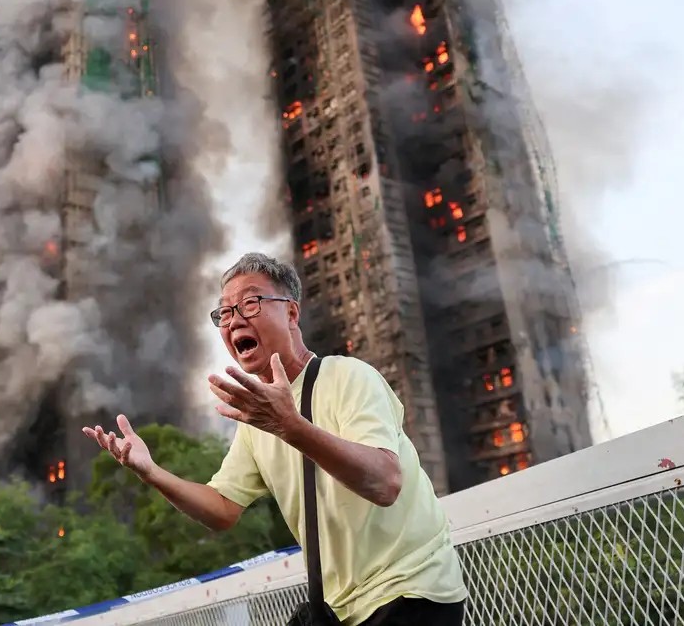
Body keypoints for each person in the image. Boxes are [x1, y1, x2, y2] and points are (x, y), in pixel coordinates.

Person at [83, 252, 468, 626]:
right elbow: (222, 508)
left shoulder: (348, 376)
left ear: (292, 313)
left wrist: (291, 426)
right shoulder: (256, 420)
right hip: (341, 610)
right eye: (225, 313)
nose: (235, 319)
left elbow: (385, 483)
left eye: (250, 303)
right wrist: (151, 472)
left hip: (410, 592)